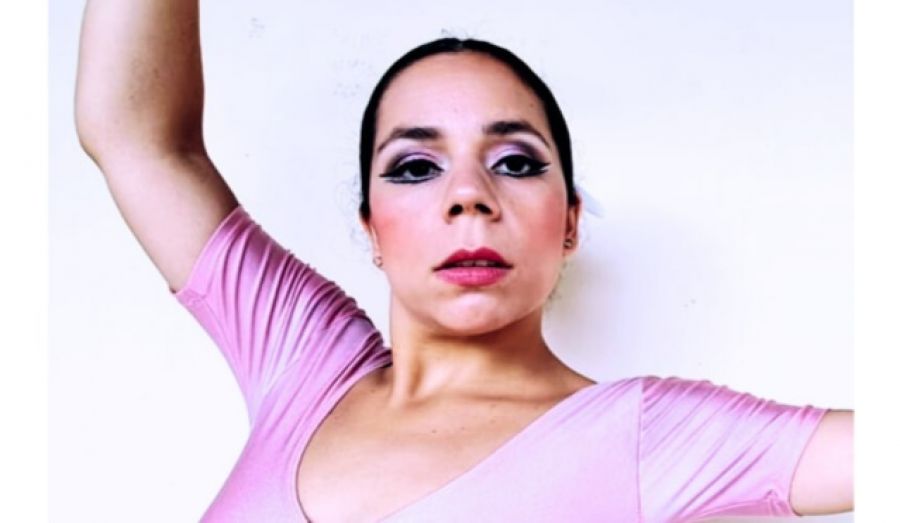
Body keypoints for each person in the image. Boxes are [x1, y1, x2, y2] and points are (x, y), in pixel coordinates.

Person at [75, 1, 853, 521]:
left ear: (569, 222)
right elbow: (135, 133)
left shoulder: (650, 438)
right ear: (371, 228)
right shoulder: (303, 362)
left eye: (515, 162)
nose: (470, 196)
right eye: (416, 167)